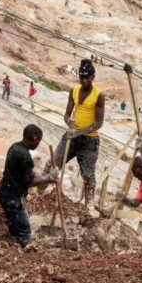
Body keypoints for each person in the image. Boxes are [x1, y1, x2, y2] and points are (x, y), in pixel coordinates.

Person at [55, 59, 105, 207]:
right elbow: (66, 115)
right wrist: (69, 122)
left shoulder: (98, 95)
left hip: (89, 141)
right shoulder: (74, 91)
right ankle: (38, 192)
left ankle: (89, 206)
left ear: (92, 77)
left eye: (87, 78)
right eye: (81, 77)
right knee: (54, 163)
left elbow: (99, 123)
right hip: (72, 137)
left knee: (88, 176)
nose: (83, 80)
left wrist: (80, 132)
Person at [0, 124, 57, 249]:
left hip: (5, 190)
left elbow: (21, 172)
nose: (38, 144)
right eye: (39, 141)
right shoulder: (25, 156)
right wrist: (48, 178)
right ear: (34, 138)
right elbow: (29, 182)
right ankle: (19, 252)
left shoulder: (14, 147)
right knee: (24, 230)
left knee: (15, 222)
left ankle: (13, 239)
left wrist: (39, 176)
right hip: (12, 196)